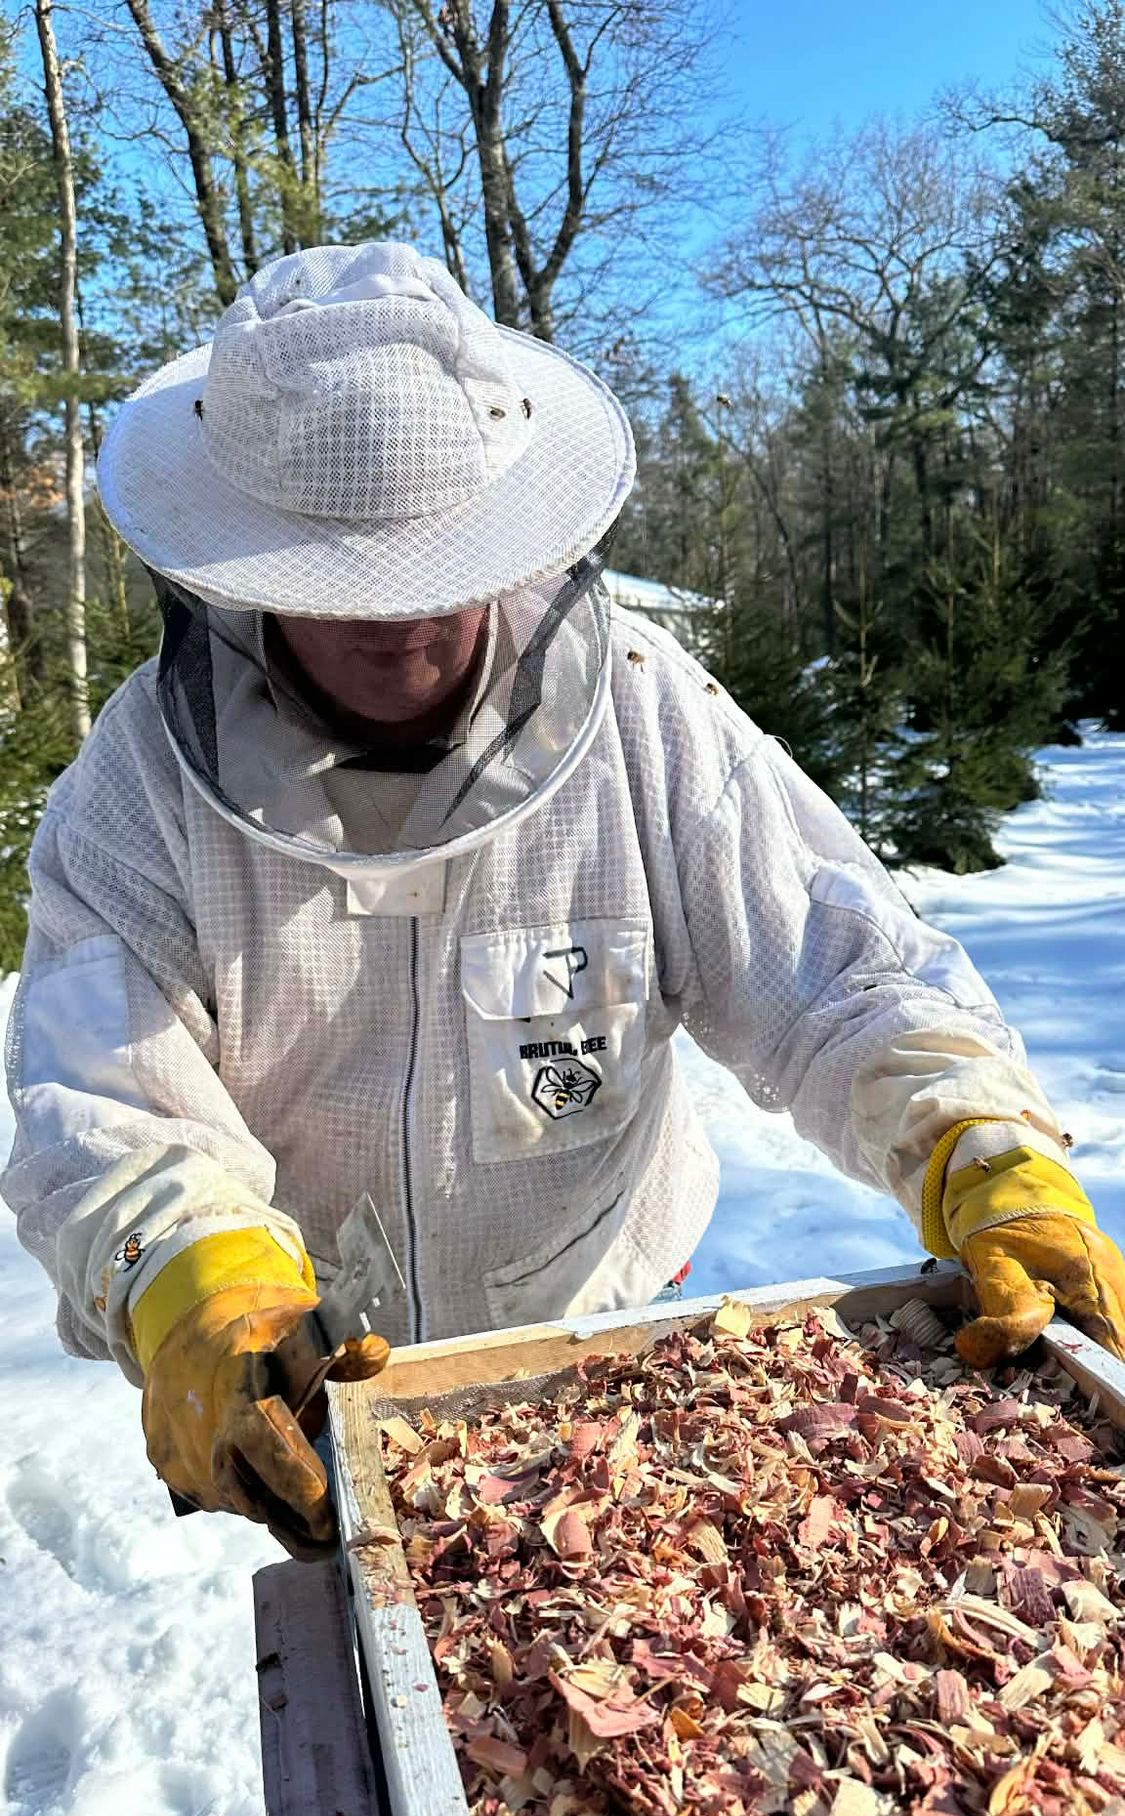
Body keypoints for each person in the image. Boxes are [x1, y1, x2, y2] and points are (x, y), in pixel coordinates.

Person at [4, 240, 1124, 1561]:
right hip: (322, 1365)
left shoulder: (648, 718)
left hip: (612, 1312)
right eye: (334, 585)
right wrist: (195, 1283)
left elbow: (840, 977)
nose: (395, 630)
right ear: (241, 565)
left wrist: (983, 1156)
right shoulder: (134, 792)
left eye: (432, 572)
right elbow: (106, 1096)